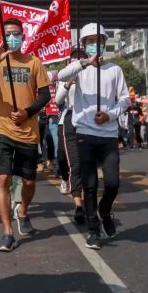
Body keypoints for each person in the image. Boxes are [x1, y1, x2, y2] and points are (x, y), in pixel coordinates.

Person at [0, 18, 52, 252]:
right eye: (8, 33)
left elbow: (45, 95)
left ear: (23, 36)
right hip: (2, 129)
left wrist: (28, 112)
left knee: (29, 181)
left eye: (17, 33)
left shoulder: (34, 63)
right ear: (3, 37)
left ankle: (23, 211)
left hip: (28, 132)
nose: (13, 37)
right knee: (3, 179)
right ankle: (7, 231)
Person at [57, 23, 129, 250]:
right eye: (89, 41)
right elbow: (60, 76)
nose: (94, 44)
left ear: (105, 44)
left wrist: (109, 115)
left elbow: (124, 100)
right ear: (83, 45)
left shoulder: (115, 70)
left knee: (112, 182)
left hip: (108, 134)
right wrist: (85, 63)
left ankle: (105, 209)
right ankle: (93, 229)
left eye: (98, 40)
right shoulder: (78, 68)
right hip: (84, 133)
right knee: (89, 184)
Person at [55, 48, 86, 225]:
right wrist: (67, 85)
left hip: (86, 121)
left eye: (81, 58)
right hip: (66, 121)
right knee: (64, 157)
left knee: (82, 164)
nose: (77, 61)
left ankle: (84, 202)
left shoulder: (91, 76)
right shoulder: (65, 77)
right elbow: (58, 100)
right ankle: (68, 183)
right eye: (74, 58)